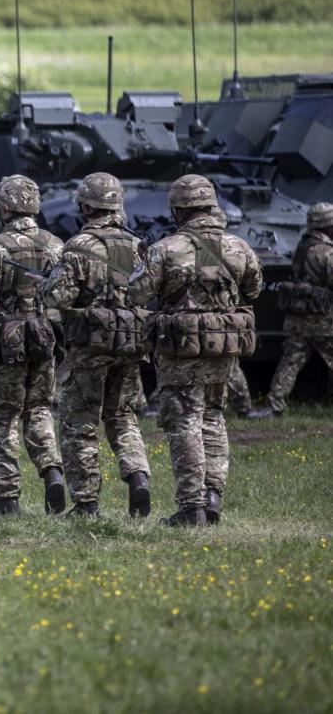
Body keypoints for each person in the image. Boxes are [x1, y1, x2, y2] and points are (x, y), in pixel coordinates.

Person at [129, 174, 262, 526]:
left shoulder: (166, 248)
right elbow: (255, 289)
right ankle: (213, 496)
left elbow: (138, 293)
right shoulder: (239, 247)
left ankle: (191, 508)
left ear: (179, 209)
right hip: (222, 349)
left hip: (181, 351)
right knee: (213, 418)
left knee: (184, 421)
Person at [41, 173, 151, 518]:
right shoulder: (138, 245)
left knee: (80, 423)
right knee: (122, 417)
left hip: (89, 348)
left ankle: (86, 503)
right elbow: (146, 293)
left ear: (85, 205)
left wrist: (47, 284)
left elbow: (59, 297)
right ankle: (138, 478)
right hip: (130, 346)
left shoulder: (79, 246)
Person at [0, 175, 67, 516]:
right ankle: (52, 471)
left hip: (6, 342)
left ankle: (7, 499)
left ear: (5, 207)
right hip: (43, 337)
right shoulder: (55, 243)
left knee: (3, 418)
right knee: (39, 410)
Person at [257, 202, 333, 419]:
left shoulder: (303, 246)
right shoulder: (325, 252)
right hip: (323, 322)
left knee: (290, 362)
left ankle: (274, 406)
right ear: (327, 226)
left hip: (297, 319)